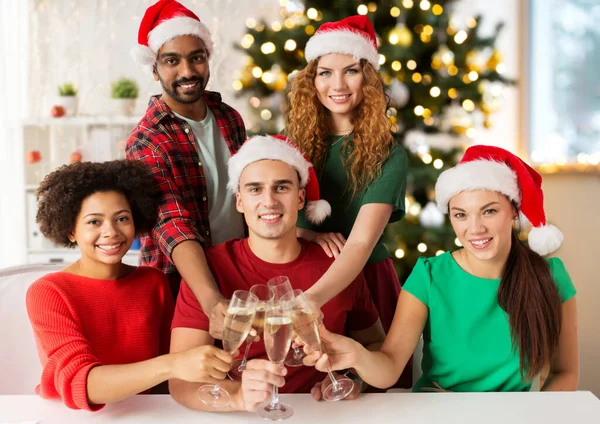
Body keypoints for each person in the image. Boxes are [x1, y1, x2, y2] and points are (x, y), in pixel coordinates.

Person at [301, 145, 579, 392]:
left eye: (489, 211)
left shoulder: (550, 275)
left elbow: (565, 373)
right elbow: (390, 367)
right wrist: (356, 355)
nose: (475, 228)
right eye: (461, 215)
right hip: (438, 412)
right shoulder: (429, 276)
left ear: (514, 211)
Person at [168, 135, 385, 412]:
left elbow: (375, 344)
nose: (269, 201)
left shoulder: (338, 267)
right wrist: (238, 396)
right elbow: (180, 380)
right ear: (240, 201)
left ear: (300, 197)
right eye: (255, 189)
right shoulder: (209, 269)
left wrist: (355, 379)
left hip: (329, 414)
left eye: (281, 187)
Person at [26, 160, 235, 411]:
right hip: (70, 416)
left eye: (122, 218)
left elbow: (163, 384)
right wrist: (175, 363)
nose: (111, 232)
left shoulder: (152, 282)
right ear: (71, 231)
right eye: (94, 222)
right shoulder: (49, 291)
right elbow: (81, 383)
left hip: (142, 413)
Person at [126, 0, 246, 329]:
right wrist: (209, 298)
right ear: (154, 69)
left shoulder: (229, 117)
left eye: (196, 57)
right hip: (183, 285)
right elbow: (171, 222)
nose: (188, 72)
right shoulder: (147, 139)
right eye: (172, 61)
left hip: (238, 275)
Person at [286, 16, 408, 335]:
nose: (337, 85)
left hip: (363, 276)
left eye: (350, 71)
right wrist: (312, 236)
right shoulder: (287, 145)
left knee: (373, 376)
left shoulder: (389, 154)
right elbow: (266, 222)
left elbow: (361, 243)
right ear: (312, 80)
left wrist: (311, 300)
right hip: (299, 273)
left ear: (366, 79)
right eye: (326, 73)